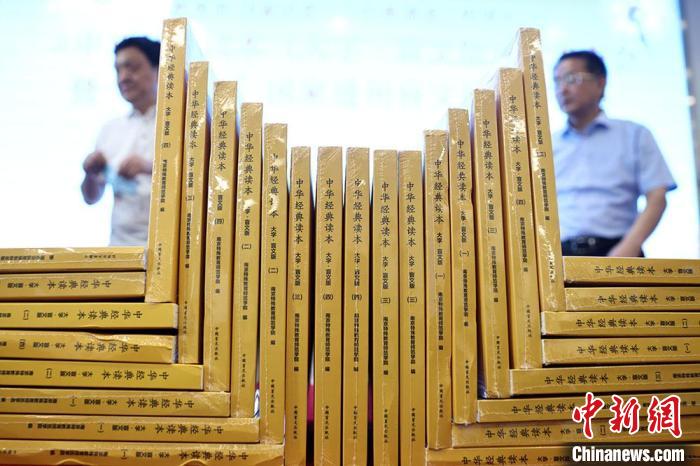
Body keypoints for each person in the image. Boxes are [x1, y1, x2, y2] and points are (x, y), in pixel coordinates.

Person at [552, 50, 676, 257]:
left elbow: (657, 197)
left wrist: (629, 246)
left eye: (571, 79)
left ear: (600, 83)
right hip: (559, 256)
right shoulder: (546, 145)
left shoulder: (635, 134)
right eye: (557, 81)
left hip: (621, 250)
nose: (562, 89)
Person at [81, 36, 160, 246]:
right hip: (119, 249)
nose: (123, 77)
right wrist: (90, 173)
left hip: (169, 249)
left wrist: (149, 168)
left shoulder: (181, 125)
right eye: (118, 70)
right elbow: (91, 198)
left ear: (159, 71)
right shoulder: (110, 129)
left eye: (132, 68)